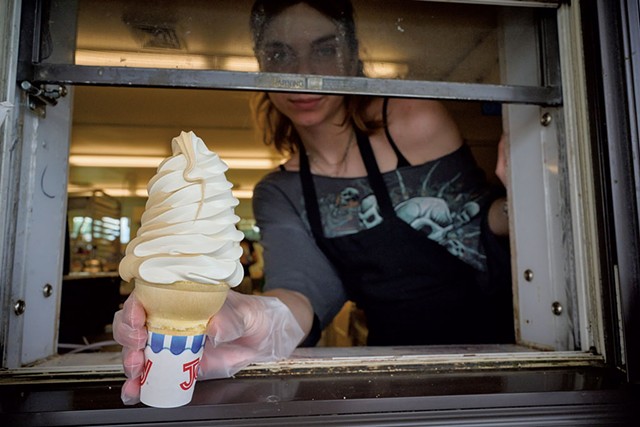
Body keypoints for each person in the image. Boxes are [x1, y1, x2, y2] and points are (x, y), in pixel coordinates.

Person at [113, 0, 513, 405]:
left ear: (351, 55)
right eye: (280, 54)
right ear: (261, 65)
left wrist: (527, 195)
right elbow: (300, 294)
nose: (302, 73)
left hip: (505, 353)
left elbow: (476, 222)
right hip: (392, 369)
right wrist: (248, 319)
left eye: (324, 49)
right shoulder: (280, 190)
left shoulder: (412, 119)